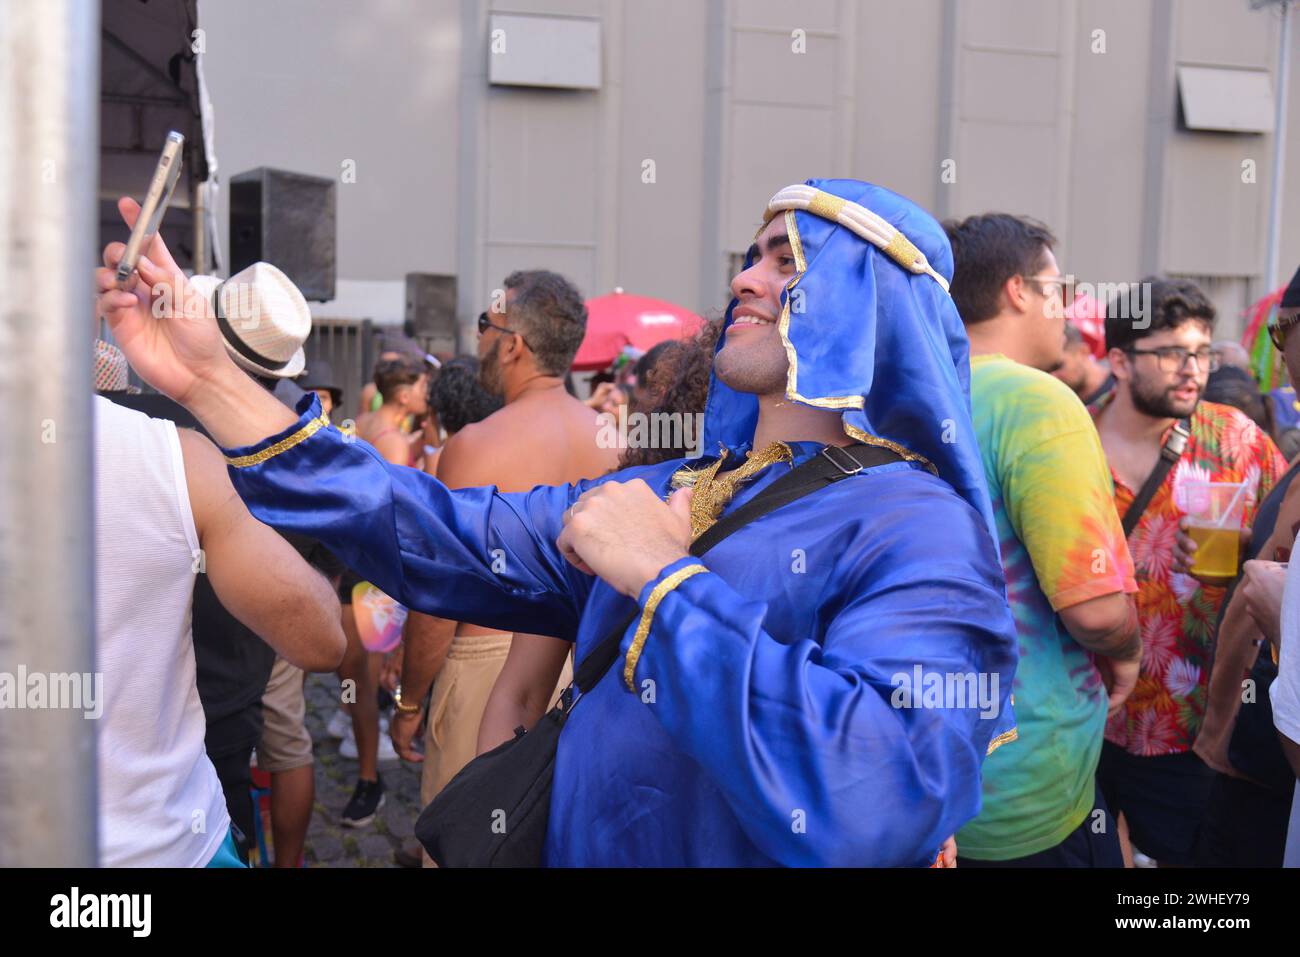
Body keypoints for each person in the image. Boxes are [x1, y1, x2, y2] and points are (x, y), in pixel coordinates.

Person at [96, 181, 1018, 866]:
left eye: (787, 259)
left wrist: (664, 580)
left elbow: (878, 783)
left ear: (866, 297)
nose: (745, 277)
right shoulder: (681, 485)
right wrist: (208, 382)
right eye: (751, 253)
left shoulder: (923, 527)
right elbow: (427, 529)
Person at [389, 272, 614, 867]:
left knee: (469, 844)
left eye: (487, 326)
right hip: (586, 674)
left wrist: (410, 703)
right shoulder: (615, 441)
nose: (480, 338)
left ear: (513, 343)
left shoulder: (474, 445)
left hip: (490, 678)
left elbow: (440, 602)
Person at [943, 213, 1139, 866]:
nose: (1066, 308)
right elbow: (1095, 607)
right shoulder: (1035, 402)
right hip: (1026, 788)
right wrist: (1127, 647)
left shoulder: (896, 396)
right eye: (1058, 287)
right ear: (1017, 290)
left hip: (916, 777)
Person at [1091, 276, 1287, 866]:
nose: (1192, 368)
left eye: (1201, 352)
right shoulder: (1067, 441)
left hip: (1195, 726)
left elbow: (1284, 559)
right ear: (1121, 361)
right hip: (1085, 721)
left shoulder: (1237, 440)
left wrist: (1245, 557)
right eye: (1172, 352)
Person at [1197, 268, 1300, 867]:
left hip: (1275, 777)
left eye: (1287, 339)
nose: (1282, 363)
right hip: (1250, 764)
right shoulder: (1291, 466)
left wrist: (1282, 615)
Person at [1054, 322, 1113, 405]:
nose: (1053, 376)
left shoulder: (1125, 389)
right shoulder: (1064, 408)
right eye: (1046, 371)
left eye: (1058, 367)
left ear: (1083, 352)